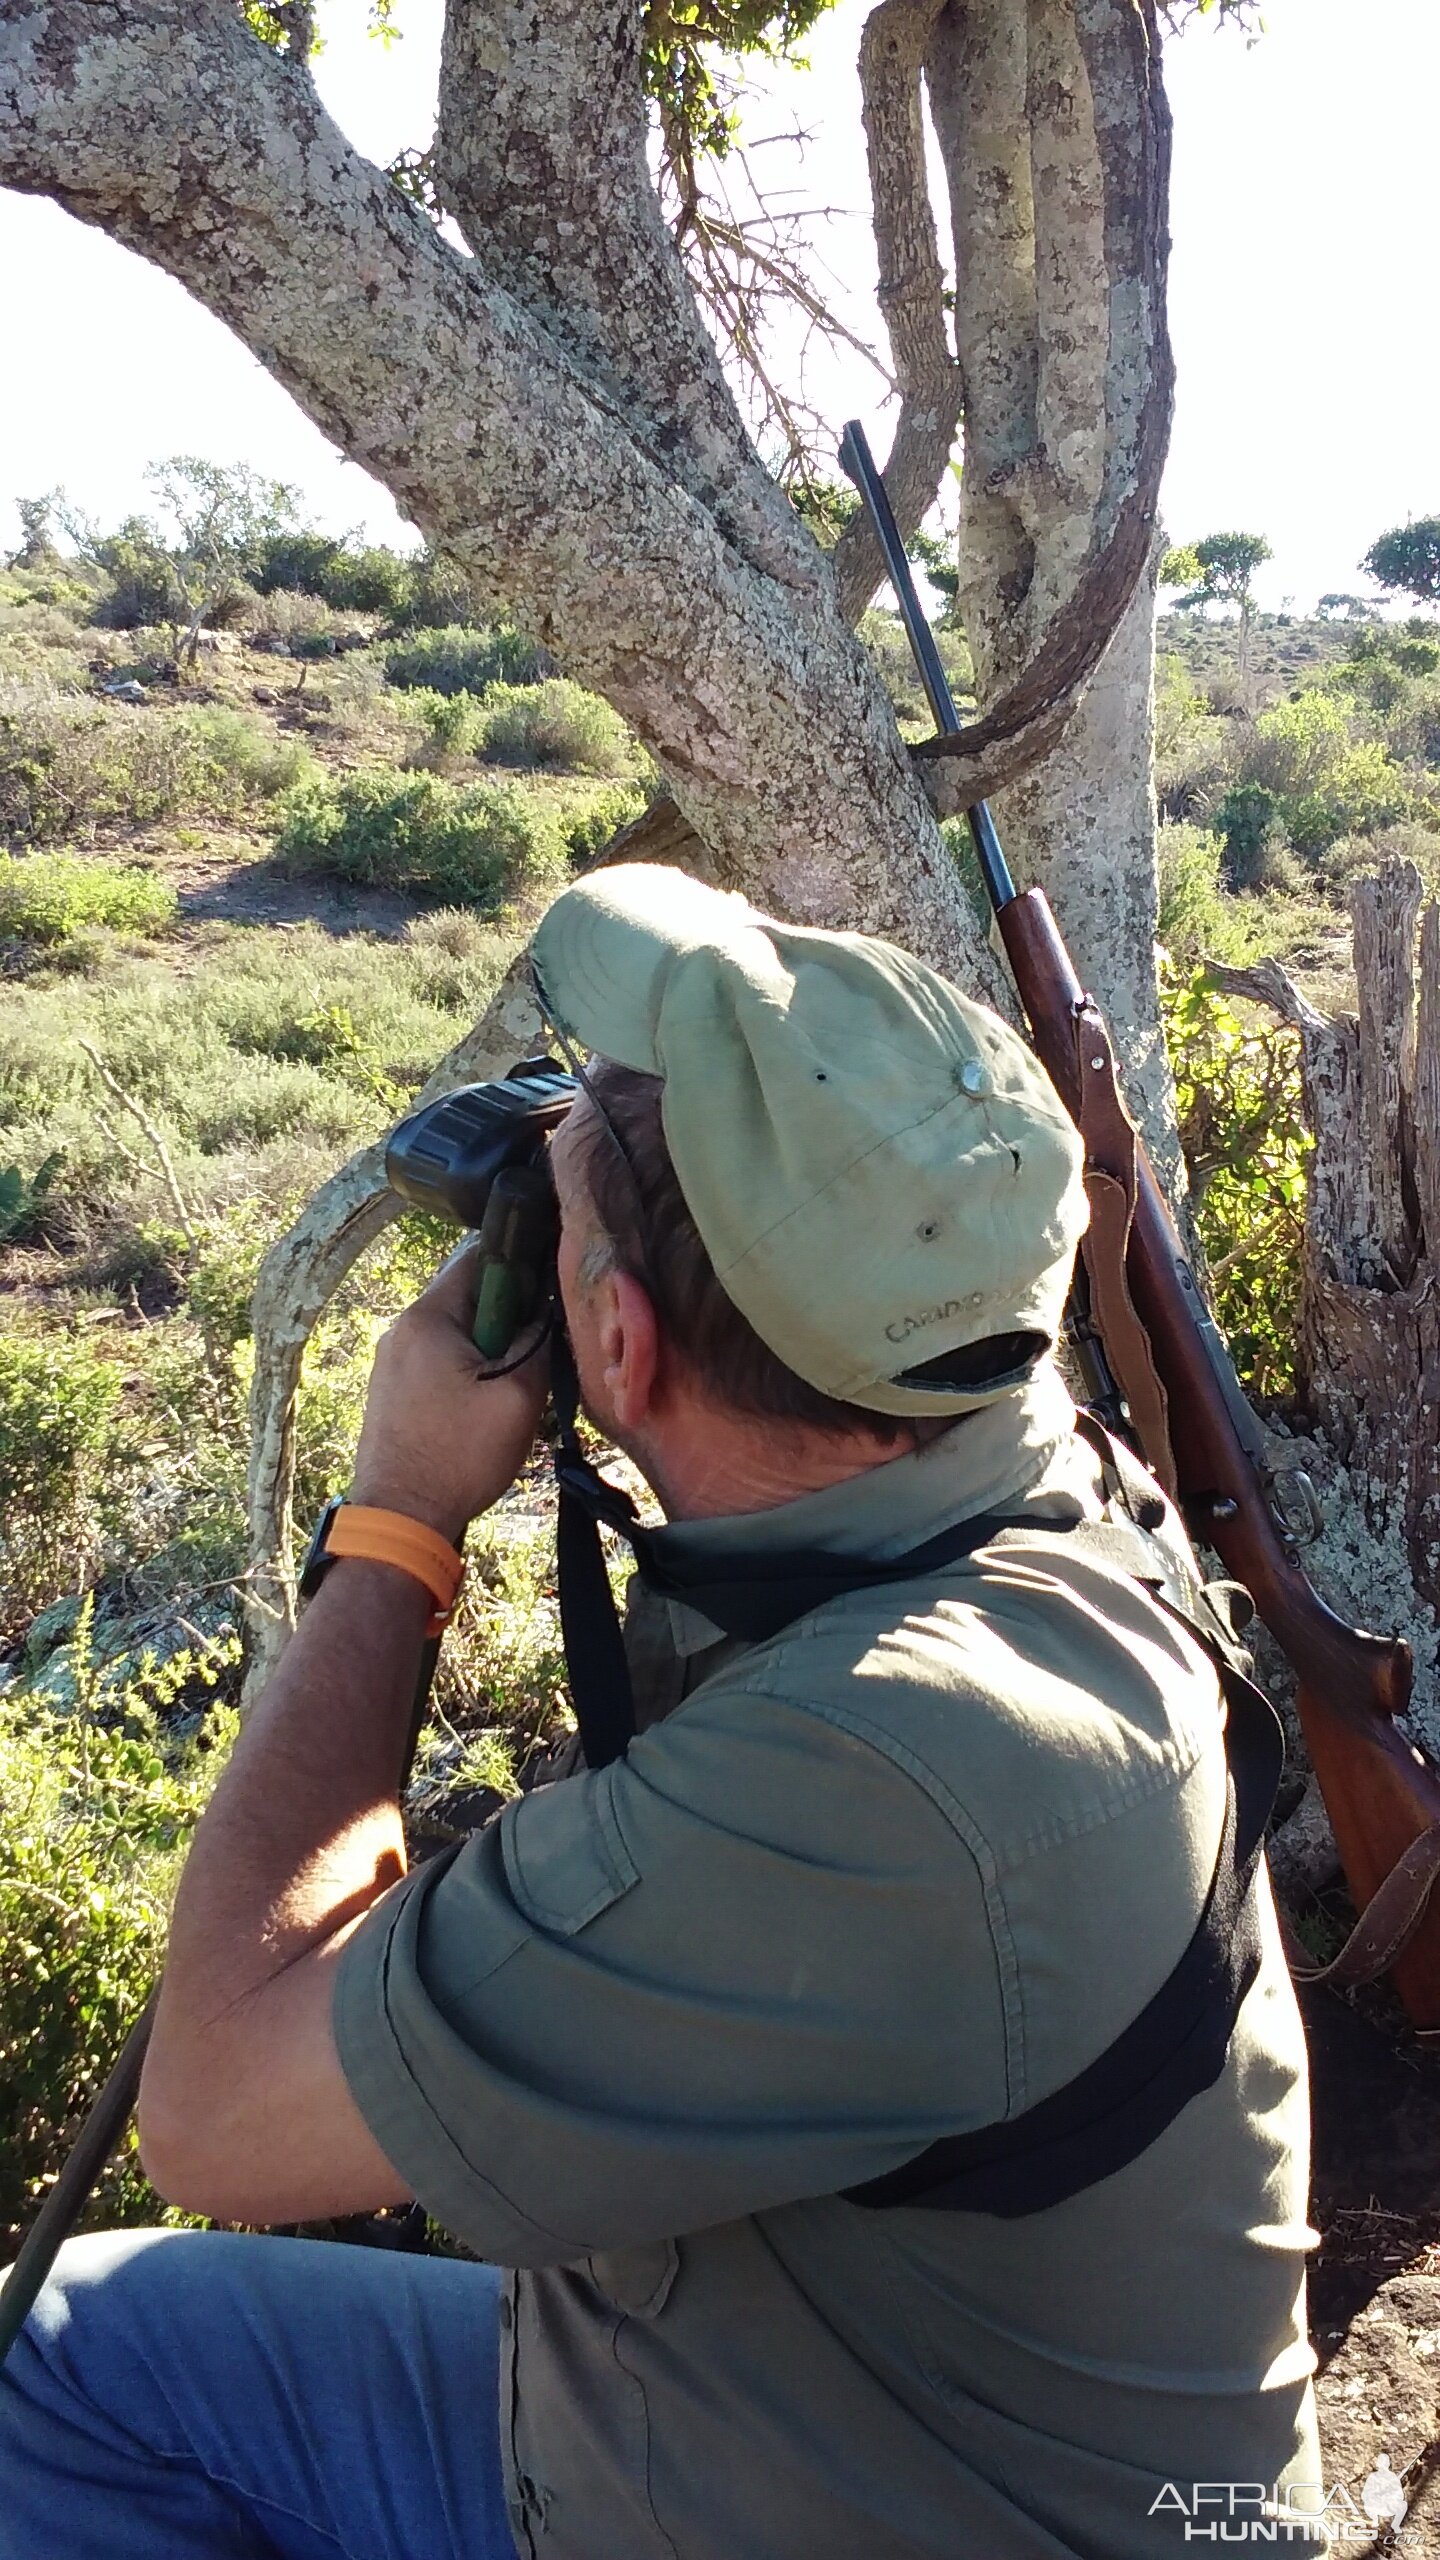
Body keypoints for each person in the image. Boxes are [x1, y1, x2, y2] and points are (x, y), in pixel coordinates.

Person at [0, 865, 1325, 2560]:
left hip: (881, 2506)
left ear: (614, 1343)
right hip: (781, 2389)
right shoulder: (1004, 1432)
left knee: (71, 2372)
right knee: (92, 2348)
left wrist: (399, 1520)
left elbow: (209, 2110)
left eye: (565, 1207)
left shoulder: (883, 1778)